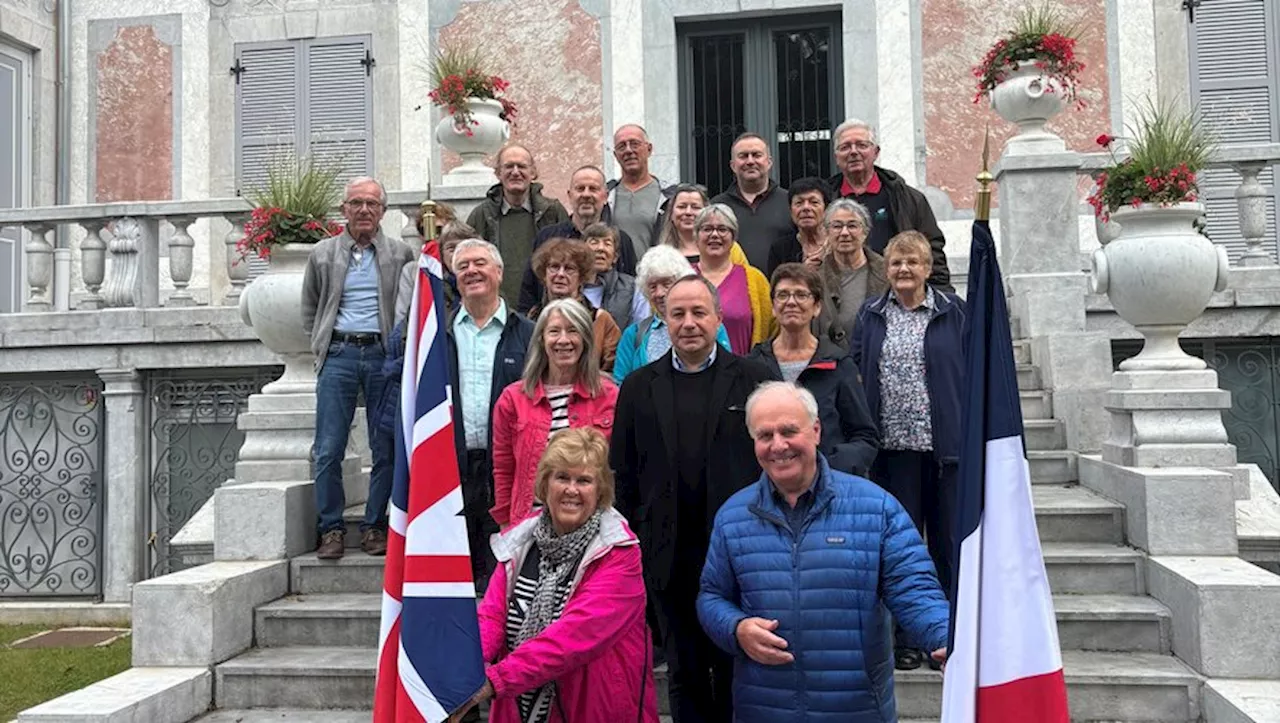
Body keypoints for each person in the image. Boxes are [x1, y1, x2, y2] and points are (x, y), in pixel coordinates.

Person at [696, 381, 949, 723]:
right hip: (764, 708)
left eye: (789, 431)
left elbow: (915, 589)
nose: (778, 445)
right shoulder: (733, 516)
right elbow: (711, 597)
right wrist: (735, 628)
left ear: (816, 431)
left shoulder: (876, 508)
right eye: (765, 435)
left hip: (856, 711)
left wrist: (945, 636)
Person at [611, 275, 774, 723]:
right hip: (668, 556)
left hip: (739, 554)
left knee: (732, 667)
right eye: (677, 313)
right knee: (684, 674)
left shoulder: (754, 379)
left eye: (699, 312)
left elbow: (775, 463)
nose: (688, 323)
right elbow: (623, 474)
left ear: (718, 318)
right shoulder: (639, 386)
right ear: (664, 319)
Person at [458, 427, 658, 723]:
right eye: (562, 477)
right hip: (520, 709)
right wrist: (462, 669)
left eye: (584, 480)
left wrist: (495, 680)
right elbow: (491, 618)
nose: (571, 489)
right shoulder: (520, 541)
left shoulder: (619, 553)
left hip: (594, 711)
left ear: (600, 489)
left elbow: (571, 638)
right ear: (545, 483)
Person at [850, 230, 965, 670]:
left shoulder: (954, 312)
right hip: (891, 449)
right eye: (896, 262)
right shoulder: (872, 313)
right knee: (901, 549)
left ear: (927, 268)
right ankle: (906, 639)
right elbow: (858, 370)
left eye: (912, 262)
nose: (903, 270)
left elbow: (970, 373)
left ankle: (951, 636)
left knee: (946, 546)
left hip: (943, 449)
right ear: (887, 268)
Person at [302, 176, 416, 559]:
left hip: (383, 357)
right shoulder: (322, 253)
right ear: (344, 210)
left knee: (384, 446)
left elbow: (407, 306)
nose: (364, 210)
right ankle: (331, 528)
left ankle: (374, 526)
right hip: (340, 355)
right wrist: (321, 343)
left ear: (383, 211)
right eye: (356, 203)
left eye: (372, 204)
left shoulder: (400, 254)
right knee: (329, 448)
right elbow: (310, 307)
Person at [448, 239, 536, 589]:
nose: (471, 270)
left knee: (501, 576)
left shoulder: (528, 334)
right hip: (451, 468)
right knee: (457, 579)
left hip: (507, 468)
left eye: (479, 263)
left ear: (499, 272)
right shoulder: (438, 333)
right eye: (463, 266)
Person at [490, 299, 620, 530]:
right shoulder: (513, 399)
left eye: (573, 331)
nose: (563, 340)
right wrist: (504, 523)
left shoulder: (609, 396)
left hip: (593, 525)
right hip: (529, 524)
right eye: (554, 331)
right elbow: (503, 468)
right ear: (541, 339)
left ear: (586, 340)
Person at [747, 263, 878, 477]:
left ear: (816, 307)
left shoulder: (838, 364)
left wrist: (826, 469)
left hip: (827, 485)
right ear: (773, 306)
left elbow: (864, 437)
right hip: (767, 485)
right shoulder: (753, 365)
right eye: (783, 295)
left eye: (801, 295)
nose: (791, 302)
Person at [827, 119, 952, 290]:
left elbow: (932, 248)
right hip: (842, 292)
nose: (853, 152)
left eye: (862, 145)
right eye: (845, 147)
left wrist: (942, 293)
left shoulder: (908, 198)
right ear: (836, 157)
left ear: (876, 152)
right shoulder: (826, 199)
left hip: (899, 292)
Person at [518, 165, 639, 314]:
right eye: (580, 189)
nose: (586, 195)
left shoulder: (621, 239)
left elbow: (632, 290)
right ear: (569, 195)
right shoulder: (547, 237)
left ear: (605, 196)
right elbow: (529, 292)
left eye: (593, 189)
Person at [466, 144, 570, 305]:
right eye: (508, 166)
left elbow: (571, 260)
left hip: (544, 309)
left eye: (521, 166)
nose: (515, 172)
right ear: (498, 173)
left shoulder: (552, 212)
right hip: (494, 309)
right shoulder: (481, 216)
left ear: (533, 173)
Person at [613, 245, 732, 384]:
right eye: (652, 286)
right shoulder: (633, 334)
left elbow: (727, 373)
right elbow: (621, 384)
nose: (659, 293)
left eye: (666, 283)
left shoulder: (710, 326)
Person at [527, 239, 622, 373]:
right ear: (544, 274)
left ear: (581, 277)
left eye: (569, 269)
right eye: (554, 267)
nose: (560, 274)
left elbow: (613, 371)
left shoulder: (600, 319)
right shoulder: (532, 317)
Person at [693, 204, 774, 355]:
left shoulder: (755, 280)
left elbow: (772, 329)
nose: (715, 235)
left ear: (733, 238)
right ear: (696, 237)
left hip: (743, 373)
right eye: (707, 229)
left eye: (723, 229)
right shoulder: (682, 277)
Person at [711, 133, 794, 271]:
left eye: (756, 155)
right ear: (733, 165)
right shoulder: (717, 207)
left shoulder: (790, 202)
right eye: (743, 156)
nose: (750, 161)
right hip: (732, 289)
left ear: (769, 162)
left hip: (781, 289)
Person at [816, 199, 888, 349]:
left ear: (865, 232)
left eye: (852, 225)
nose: (844, 233)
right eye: (836, 226)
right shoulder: (815, 279)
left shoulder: (888, 273)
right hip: (832, 363)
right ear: (826, 232)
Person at [607, 124, 677, 261]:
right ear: (616, 155)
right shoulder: (606, 196)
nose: (628, 150)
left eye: (635, 144)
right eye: (622, 146)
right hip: (615, 279)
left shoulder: (670, 197)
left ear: (649, 149)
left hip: (657, 277)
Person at [396, 220, 477, 324]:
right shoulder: (430, 288)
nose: (458, 253)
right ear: (442, 253)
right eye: (451, 248)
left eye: (463, 247)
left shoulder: (484, 286)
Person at [581, 222, 648, 332]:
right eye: (594, 242)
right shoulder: (571, 286)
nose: (600, 248)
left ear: (615, 257)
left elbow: (641, 331)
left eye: (607, 244)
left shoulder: (633, 288)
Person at [765, 177, 832, 279]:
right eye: (799, 203)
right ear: (791, 211)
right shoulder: (780, 249)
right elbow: (775, 288)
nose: (806, 208)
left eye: (814, 202)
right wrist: (803, 272)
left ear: (826, 208)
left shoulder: (839, 242)